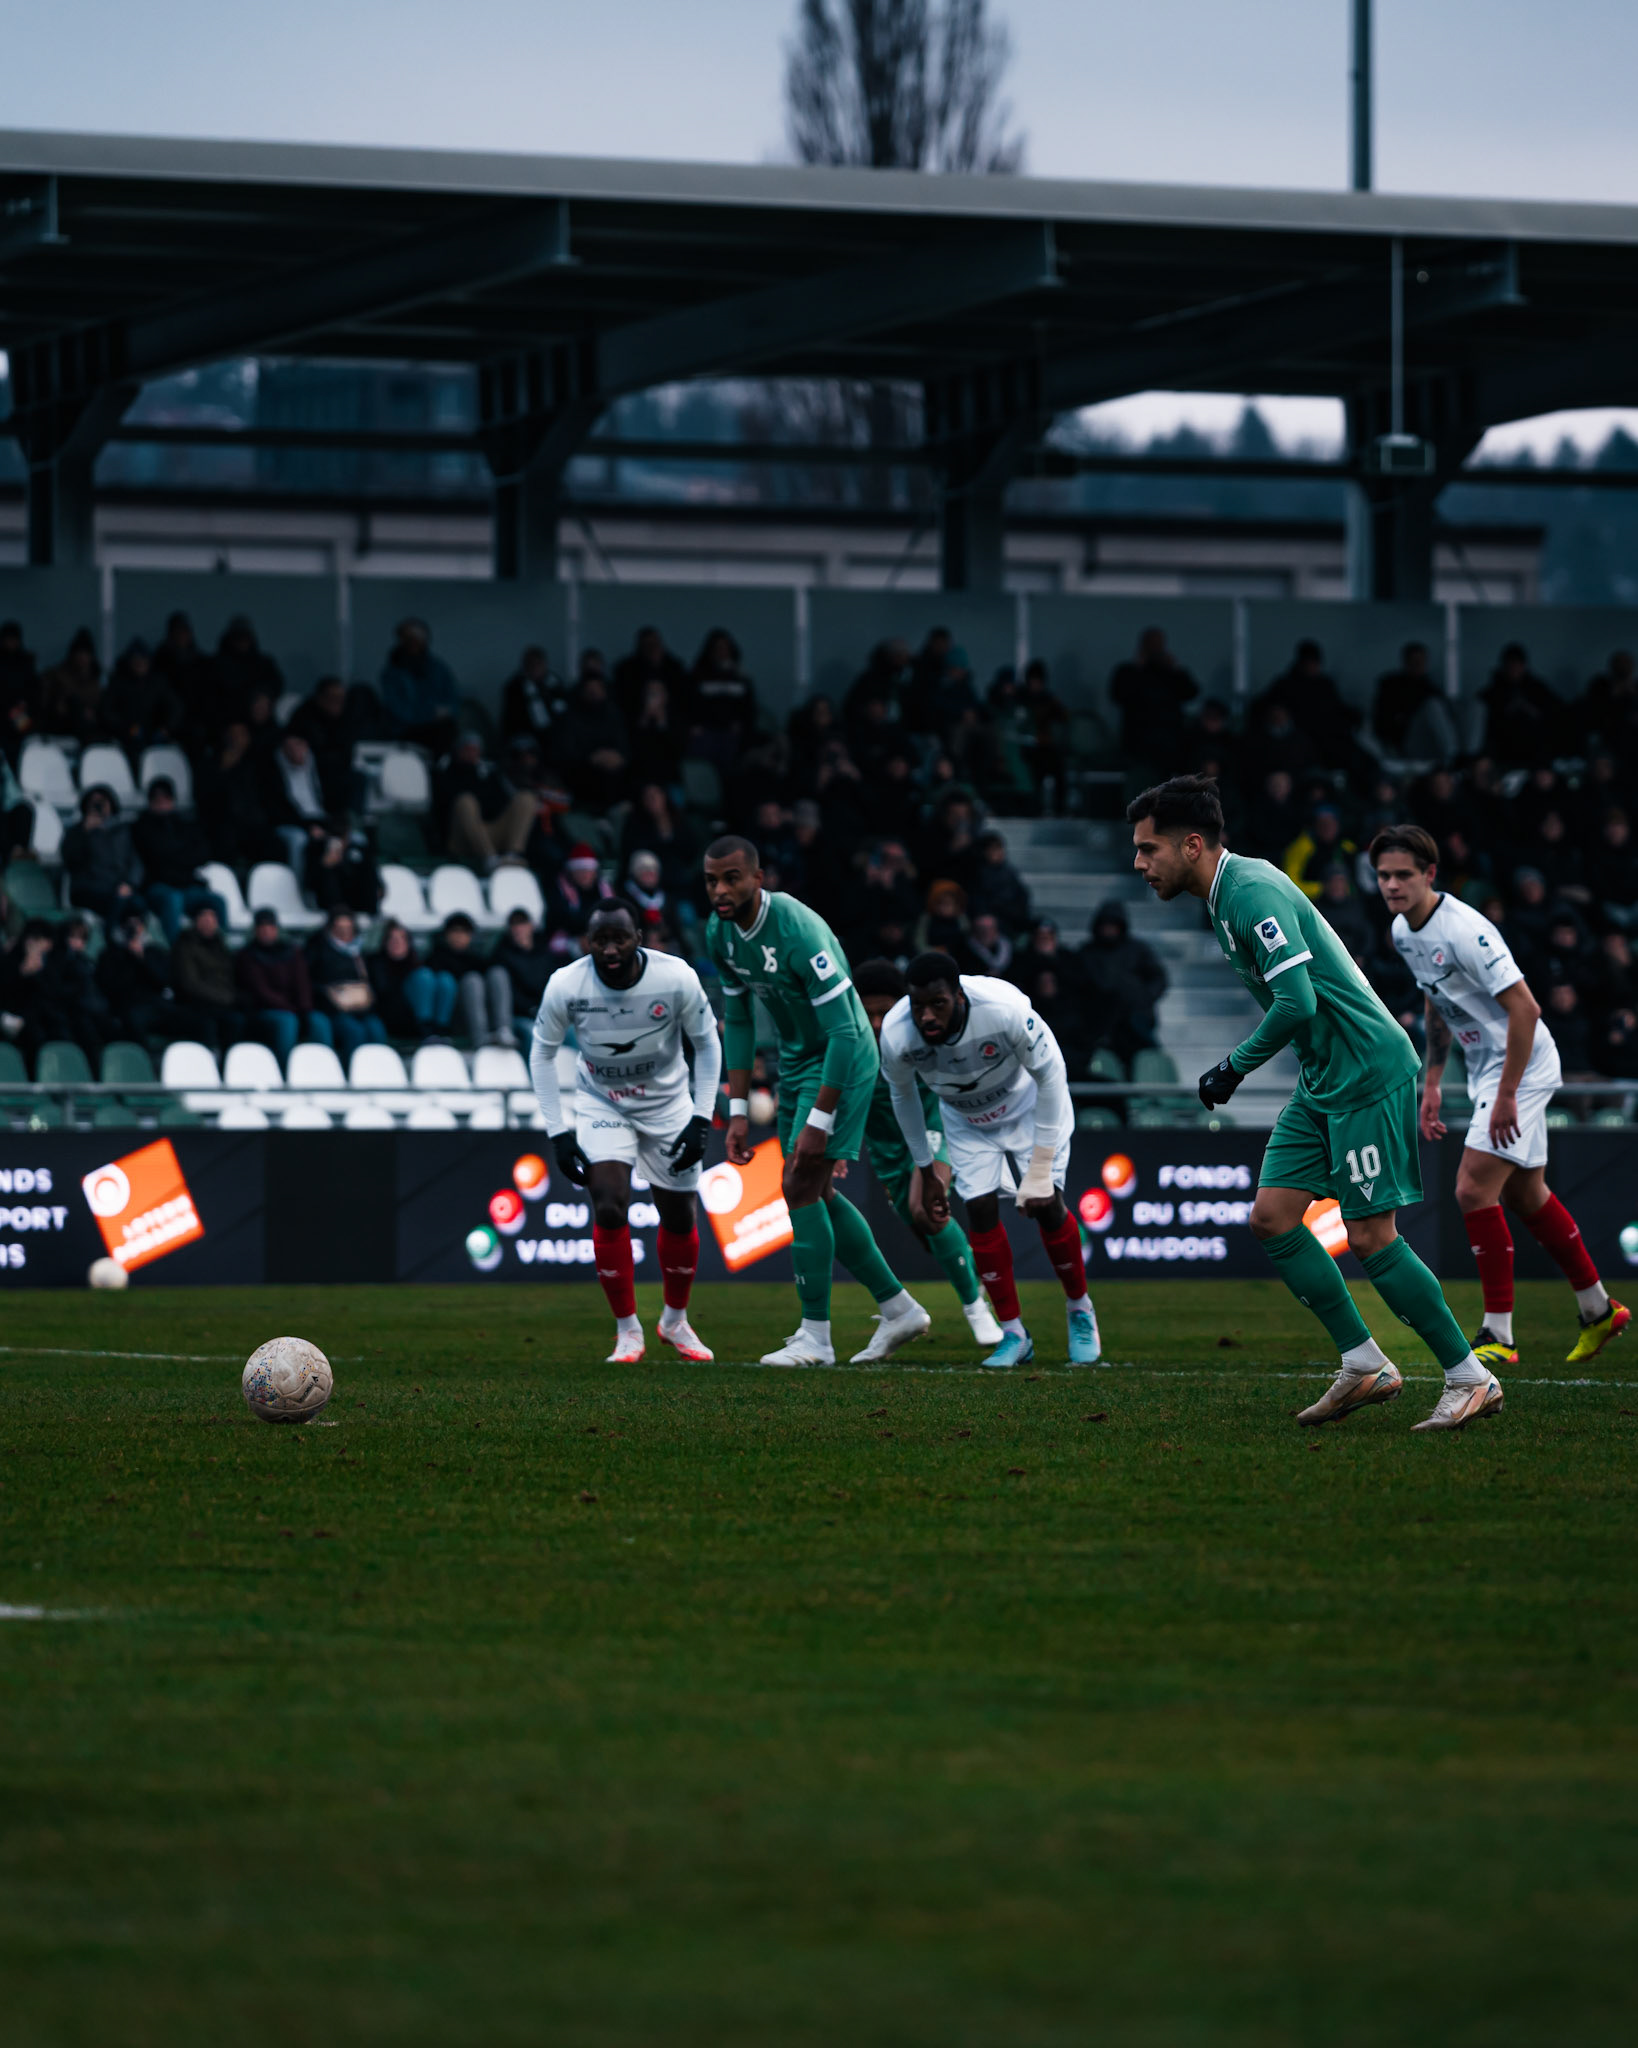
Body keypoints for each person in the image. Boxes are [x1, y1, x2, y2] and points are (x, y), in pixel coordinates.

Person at [1129, 773, 1500, 1433]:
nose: (1138, 864)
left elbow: (1298, 1003)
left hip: (1364, 1067)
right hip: (1324, 1073)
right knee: (1272, 1218)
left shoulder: (1250, 892)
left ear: (1191, 845)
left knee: (1369, 1235)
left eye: (1147, 849)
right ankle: (1364, 1364)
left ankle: (1469, 1376)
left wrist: (1232, 1067)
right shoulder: (1222, 896)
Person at [1376, 824, 1628, 1369]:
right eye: (1383, 875)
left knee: (1471, 1188)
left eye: (1402, 875)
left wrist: (1509, 1093)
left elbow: (1527, 1009)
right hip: (1487, 1068)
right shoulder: (1402, 931)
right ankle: (1598, 1309)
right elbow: (1434, 1002)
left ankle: (1499, 1334)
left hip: (1523, 1063)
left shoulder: (1466, 930)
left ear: (1429, 875)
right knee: (1525, 1194)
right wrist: (1434, 1082)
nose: (1392, 885)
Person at [704, 835, 930, 1368]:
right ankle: (898, 1308)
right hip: (799, 1061)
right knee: (812, 1189)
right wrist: (737, 1111)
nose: (721, 889)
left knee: (798, 1184)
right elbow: (736, 1021)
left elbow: (848, 1036)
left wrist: (820, 1120)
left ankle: (816, 1338)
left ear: (759, 878)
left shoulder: (798, 931)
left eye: (732, 877)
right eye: (711, 879)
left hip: (844, 1058)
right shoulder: (720, 933)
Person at [878, 951, 1098, 1370]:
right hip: (965, 1120)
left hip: (1030, 1108)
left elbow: (1051, 1075)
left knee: (1048, 1206)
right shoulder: (896, 1033)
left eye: (937, 1004)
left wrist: (1039, 1167)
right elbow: (902, 1098)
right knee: (978, 1211)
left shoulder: (1004, 1008)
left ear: (959, 996)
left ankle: (1080, 1310)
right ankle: (1013, 1333)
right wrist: (926, 1172)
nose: (926, 1016)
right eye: (917, 1005)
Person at [531, 897, 720, 1363]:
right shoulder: (566, 985)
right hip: (602, 1104)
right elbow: (541, 1053)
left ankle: (675, 1321)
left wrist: (701, 1117)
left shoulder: (675, 978)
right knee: (610, 1205)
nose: (610, 948)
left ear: (640, 938)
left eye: (620, 937)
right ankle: (627, 1330)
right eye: (600, 939)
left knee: (678, 1216)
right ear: (587, 943)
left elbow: (708, 1045)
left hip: (669, 1105)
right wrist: (558, 1133)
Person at [852, 958, 1004, 1350]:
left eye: (883, 1012)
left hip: (934, 1123)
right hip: (886, 1147)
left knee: (928, 1211)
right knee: (921, 1225)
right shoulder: (850, 1043)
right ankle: (977, 1278)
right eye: (866, 1013)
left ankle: (976, 1309)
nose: (874, 1022)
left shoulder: (914, 1035)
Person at [131, 777, 222, 942]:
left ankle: (218, 951)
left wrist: (174, 856)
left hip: (187, 885)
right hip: (157, 887)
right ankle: (177, 952)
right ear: (150, 802)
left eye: (166, 798)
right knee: (173, 899)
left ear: (173, 800)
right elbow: (156, 854)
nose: (162, 803)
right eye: (157, 799)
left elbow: (203, 853)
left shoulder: (185, 824)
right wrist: (183, 854)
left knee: (216, 901)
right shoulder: (141, 826)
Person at [236, 908, 329, 1064]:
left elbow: (302, 984)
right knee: (287, 1022)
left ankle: (325, 1065)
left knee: (319, 1021)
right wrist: (292, 1009)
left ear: (277, 929)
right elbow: (260, 991)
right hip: (263, 1010)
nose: (267, 931)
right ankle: (284, 1069)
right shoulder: (247, 955)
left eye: (271, 927)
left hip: (295, 1008)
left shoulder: (291, 952)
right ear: (256, 930)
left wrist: (304, 1008)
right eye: (262, 927)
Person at [434, 733, 538, 870]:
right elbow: (446, 807)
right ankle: (489, 859)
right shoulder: (446, 771)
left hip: (489, 832)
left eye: (475, 749)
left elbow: (500, 801)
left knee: (526, 798)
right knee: (466, 801)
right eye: (467, 749)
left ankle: (513, 854)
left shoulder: (489, 772)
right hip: (461, 837)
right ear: (458, 751)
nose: (471, 753)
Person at [1109, 627, 1198, 775]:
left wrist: (1175, 668)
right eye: (1152, 645)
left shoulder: (1169, 674)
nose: (1156, 650)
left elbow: (1191, 692)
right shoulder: (1129, 672)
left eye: (1159, 645)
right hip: (1139, 744)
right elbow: (1118, 695)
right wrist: (1138, 667)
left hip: (1170, 744)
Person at [306, 908, 388, 1060]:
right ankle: (352, 1072)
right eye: (339, 929)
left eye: (348, 928)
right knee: (354, 1032)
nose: (344, 933)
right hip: (333, 1010)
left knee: (376, 1029)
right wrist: (328, 993)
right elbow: (309, 982)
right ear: (330, 929)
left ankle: (379, 1071)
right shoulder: (318, 950)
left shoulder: (360, 953)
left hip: (362, 1008)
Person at [172, 903, 252, 1053]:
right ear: (195, 920)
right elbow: (190, 983)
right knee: (208, 1023)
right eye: (204, 916)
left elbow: (230, 976)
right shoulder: (185, 944)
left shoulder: (221, 944)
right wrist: (226, 998)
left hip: (221, 1003)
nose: (208, 920)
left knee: (238, 1020)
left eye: (212, 916)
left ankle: (231, 1064)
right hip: (196, 1004)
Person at [62, 786, 144, 925]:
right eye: (94, 803)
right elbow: (71, 861)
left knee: (139, 904)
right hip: (89, 889)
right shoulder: (76, 832)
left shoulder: (123, 830)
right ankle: (110, 937)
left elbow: (136, 861)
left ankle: (129, 941)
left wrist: (129, 884)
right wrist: (84, 833)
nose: (99, 806)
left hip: (119, 887)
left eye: (102, 802)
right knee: (119, 902)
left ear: (111, 803)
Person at [368, 918, 456, 1040]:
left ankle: (441, 1030)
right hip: (397, 1017)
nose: (397, 943)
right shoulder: (377, 964)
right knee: (423, 977)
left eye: (402, 938)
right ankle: (426, 1031)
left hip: (420, 1014)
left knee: (445, 979)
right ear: (385, 943)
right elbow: (384, 995)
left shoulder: (416, 963)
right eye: (392, 939)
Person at [380, 618, 458, 752]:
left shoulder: (438, 668)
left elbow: (453, 701)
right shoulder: (392, 673)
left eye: (419, 637)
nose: (414, 642)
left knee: (448, 730)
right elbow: (398, 710)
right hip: (406, 731)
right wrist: (431, 713)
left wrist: (442, 712)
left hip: (438, 728)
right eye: (409, 637)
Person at [491, 909, 551, 1049]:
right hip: (520, 1016)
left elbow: (551, 986)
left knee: (572, 1032)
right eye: (514, 924)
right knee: (531, 1033)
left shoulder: (544, 953)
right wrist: (531, 1009)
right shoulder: (502, 955)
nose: (518, 928)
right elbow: (509, 993)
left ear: (531, 926)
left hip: (544, 1014)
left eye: (522, 923)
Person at [499, 645, 569, 745]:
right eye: (530, 665)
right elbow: (510, 719)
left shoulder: (554, 683)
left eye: (538, 664)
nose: (535, 669)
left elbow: (563, 709)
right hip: (525, 738)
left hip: (554, 737)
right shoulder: (515, 687)